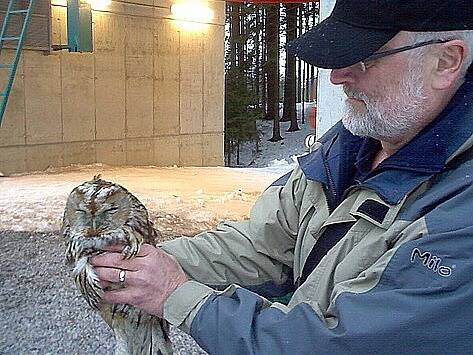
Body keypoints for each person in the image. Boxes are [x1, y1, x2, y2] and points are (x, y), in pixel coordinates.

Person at [91, 0, 473, 353]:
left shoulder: (459, 212)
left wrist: (177, 294)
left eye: (362, 59)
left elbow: (336, 344)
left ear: (445, 62)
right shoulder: (351, 146)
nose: (337, 76)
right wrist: (142, 264)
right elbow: (265, 243)